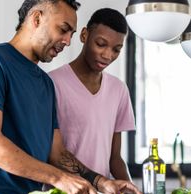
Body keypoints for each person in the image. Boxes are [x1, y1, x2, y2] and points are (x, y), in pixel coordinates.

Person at [0, 0, 141, 194]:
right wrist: (60, 178)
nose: (68, 41)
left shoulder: (45, 83)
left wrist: (101, 182)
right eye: (63, 29)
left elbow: (57, 153)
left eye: (71, 33)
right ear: (36, 18)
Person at [48, 8, 135, 181]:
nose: (108, 55)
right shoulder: (52, 83)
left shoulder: (119, 90)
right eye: (101, 44)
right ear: (84, 35)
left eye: (116, 49)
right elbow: (52, 153)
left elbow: (115, 159)